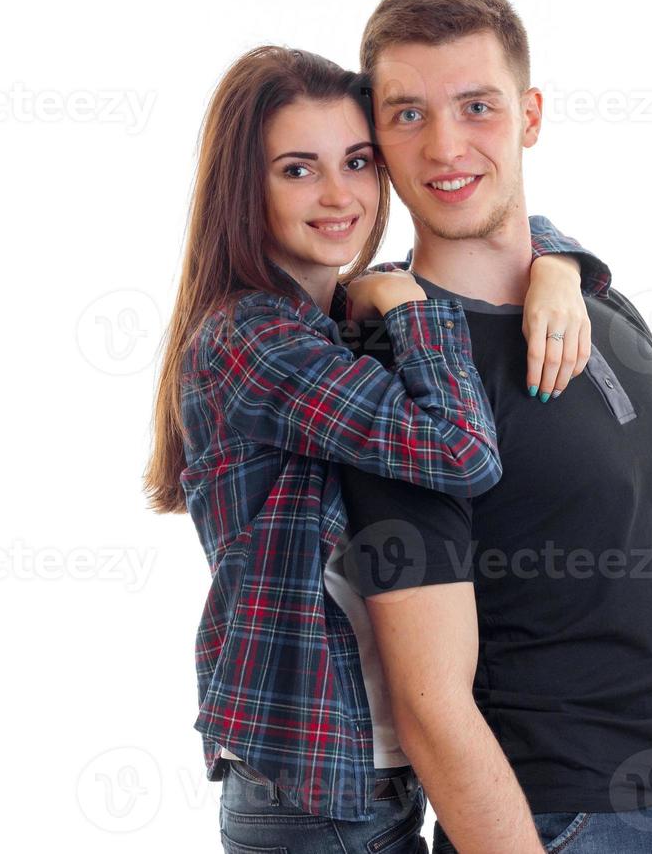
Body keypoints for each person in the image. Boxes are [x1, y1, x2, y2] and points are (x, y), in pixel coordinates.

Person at [337, 0, 652, 854]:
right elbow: (431, 705)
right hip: (563, 825)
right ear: (379, 137)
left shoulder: (601, 304)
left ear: (531, 115)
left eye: (477, 106)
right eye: (407, 114)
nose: (445, 145)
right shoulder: (397, 375)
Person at [142, 44, 611, 853]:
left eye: (357, 162)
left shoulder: (337, 325)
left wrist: (557, 267)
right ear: (242, 188)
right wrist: (408, 300)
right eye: (297, 170)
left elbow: (497, 226)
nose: (338, 195)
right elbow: (463, 450)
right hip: (315, 794)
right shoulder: (252, 338)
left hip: (374, 779)